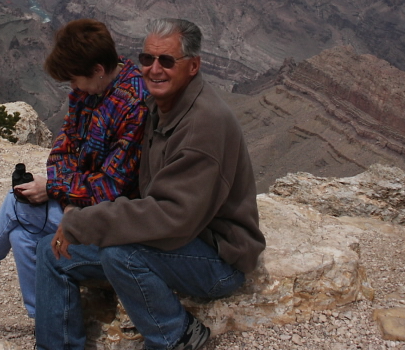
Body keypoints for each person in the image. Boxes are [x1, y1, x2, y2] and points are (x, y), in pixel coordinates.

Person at [34, 18, 265, 350]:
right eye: (147, 59)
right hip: (178, 241)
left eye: (167, 61)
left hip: (217, 257)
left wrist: (84, 221)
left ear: (193, 66)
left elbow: (172, 215)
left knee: (121, 254)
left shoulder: (203, 125)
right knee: (52, 252)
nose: (154, 70)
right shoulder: (160, 105)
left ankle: (176, 335)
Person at [0, 19, 148, 318]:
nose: (73, 87)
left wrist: (55, 188)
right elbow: (64, 145)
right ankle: (45, 319)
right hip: (81, 198)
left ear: (98, 69)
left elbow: (113, 185)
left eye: (75, 80)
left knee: (17, 204)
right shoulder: (90, 89)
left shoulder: (134, 105)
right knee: (21, 236)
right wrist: (62, 192)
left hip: (112, 214)